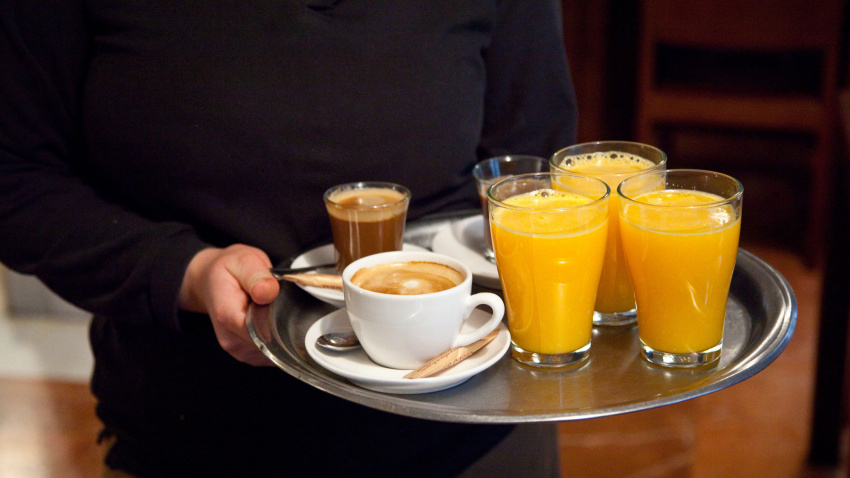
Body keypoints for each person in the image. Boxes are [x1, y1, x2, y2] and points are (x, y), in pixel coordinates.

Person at [0, 1, 577, 476]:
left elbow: (533, 174)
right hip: (191, 432)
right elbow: (16, 180)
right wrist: (186, 272)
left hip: (472, 432)